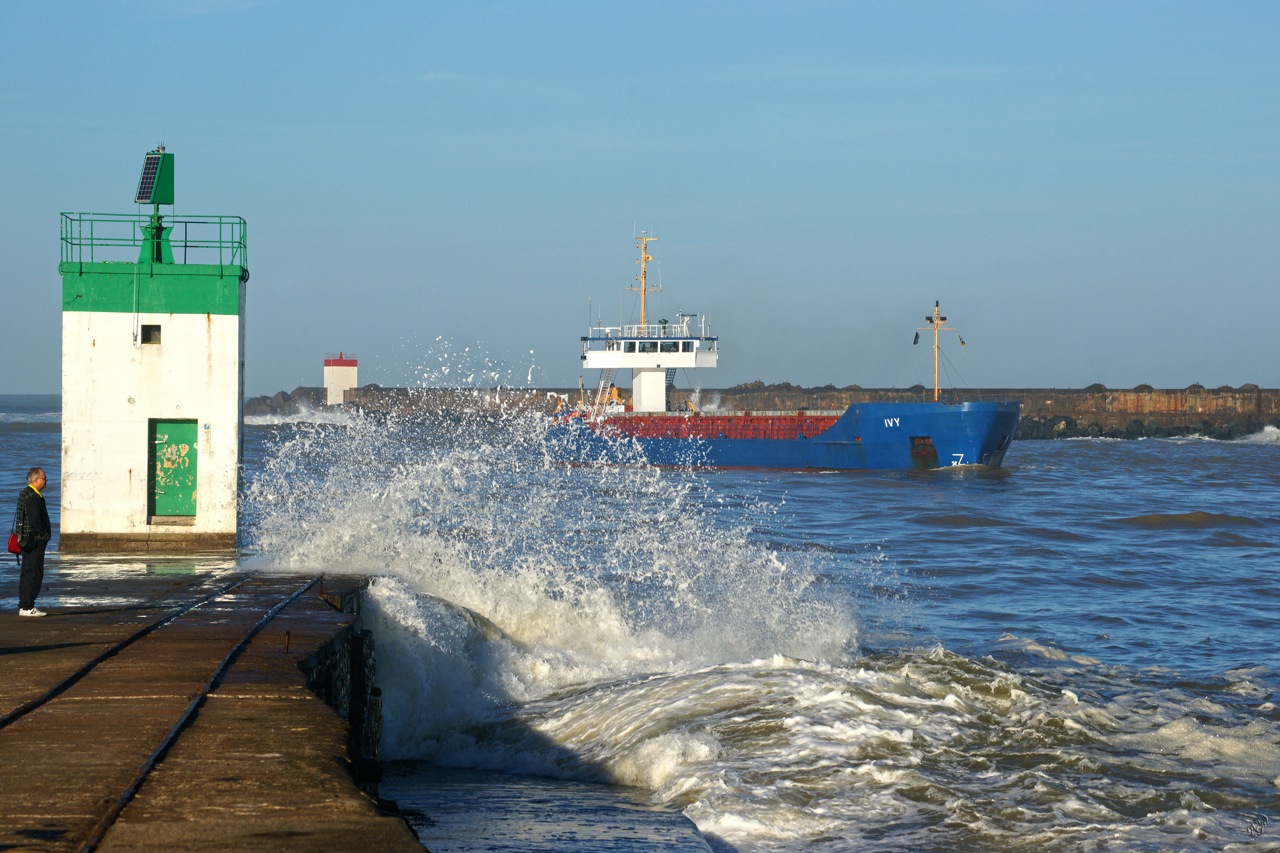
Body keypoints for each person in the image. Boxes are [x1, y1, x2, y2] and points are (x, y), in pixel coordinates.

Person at [15, 467, 51, 617]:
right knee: (34, 573)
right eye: (44, 478)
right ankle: (27, 606)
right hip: (33, 541)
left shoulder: (26, 493)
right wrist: (44, 536)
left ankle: (25, 606)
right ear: (35, 480)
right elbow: (35, 520)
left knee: (27, 572)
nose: (46, 481)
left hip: (26, 540)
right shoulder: (32, 496)